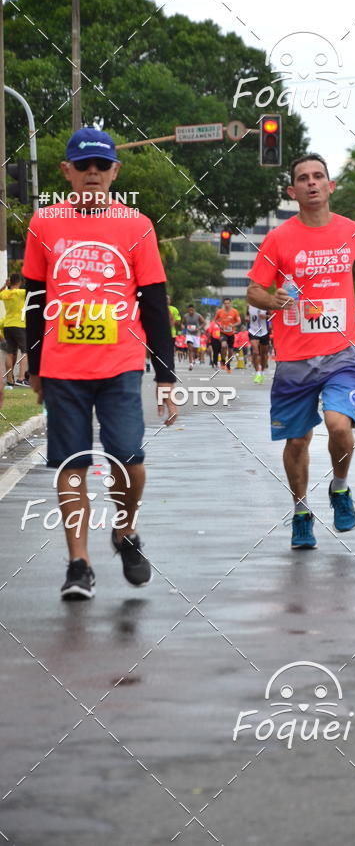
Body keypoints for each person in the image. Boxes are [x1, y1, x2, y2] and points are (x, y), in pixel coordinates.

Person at [22, 127, 177, 600]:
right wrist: (34, 365)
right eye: (83, 166)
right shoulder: (44, 224)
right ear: (67, 171)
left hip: (122, 364)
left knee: (129, 459)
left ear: (115, 171)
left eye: (101, 166)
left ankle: (125, 532)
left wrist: (165, 374)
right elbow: (34, 299)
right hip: (63, 366)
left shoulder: (137, 226)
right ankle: (78, 564)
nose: (93, 174)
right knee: (72, 464)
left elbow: (153, 301)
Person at [247, 152, 355, 550]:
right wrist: (274, 301)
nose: (311, 183)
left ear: (330, 185)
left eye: (318, 176)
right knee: (298, 441)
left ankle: (340, 488)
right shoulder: (280, 238)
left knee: (340, 426)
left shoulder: (353, 230)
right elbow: (254, 289)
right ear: (292, 191)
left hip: (344, 349)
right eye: (303, 178)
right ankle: (301, 511)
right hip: (295, 357)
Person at [0, 273, 29, 387]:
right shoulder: (21, 293)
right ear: (20, 282)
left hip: (7, 325)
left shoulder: (6, 293)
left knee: (10, 352)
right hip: (19, 325)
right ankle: (21, 378)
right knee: (25, 351)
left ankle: (10, 380)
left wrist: (4, 285)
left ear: (9, 282)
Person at [215, 298, 241, 372]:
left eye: (228, 303)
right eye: (225, 303)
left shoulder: (234, 312)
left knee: (230, 351)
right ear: (223, 304)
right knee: (223, 346)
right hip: (223, 332)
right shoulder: (220, 312)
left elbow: (239, 322)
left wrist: (232, 325)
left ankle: (228, 363)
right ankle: (223, 361)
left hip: (231, 333)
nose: (226, 305)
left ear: (230, 303)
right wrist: (219, 325)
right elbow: (216, 320)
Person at [247, 303, 270, 382]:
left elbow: (273, 316)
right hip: (253, 332)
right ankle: (257, 373)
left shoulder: (266, 306)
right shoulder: (249, 306)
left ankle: (262, 372)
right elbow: (246, 316)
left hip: (264, 332)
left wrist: (266, 317)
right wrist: (247, 318)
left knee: (263, 354)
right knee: (255, 352)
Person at [182, 303, 204, 371]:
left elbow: (204, 323)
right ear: (188, 310)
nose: (191, 312)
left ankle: (196, 355)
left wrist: (199, 328)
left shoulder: (198, 315)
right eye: (189, 310)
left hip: (196, 334)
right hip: (189, 334)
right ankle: (191, 364)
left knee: (196, 350)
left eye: (192, 310)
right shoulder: (185, 316)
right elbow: (182, 323)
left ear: (194, 310)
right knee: (190, 348)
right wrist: (183, 327)